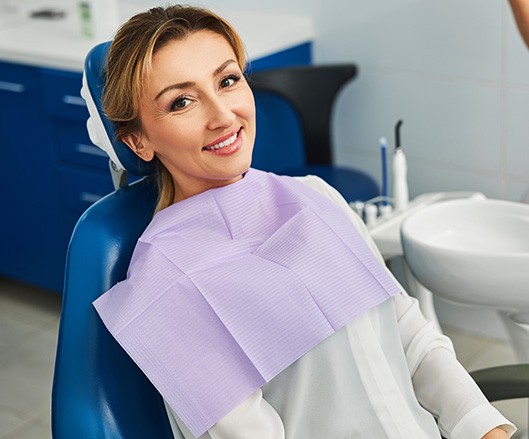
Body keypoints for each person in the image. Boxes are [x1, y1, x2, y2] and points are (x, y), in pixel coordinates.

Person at [92, 5, 515, 439]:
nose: (223, 116)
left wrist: (486, 429)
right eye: (182, 101)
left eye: (227, 80)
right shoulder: (166, 289)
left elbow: (409, 335)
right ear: (138, 140)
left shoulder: (315, 197)